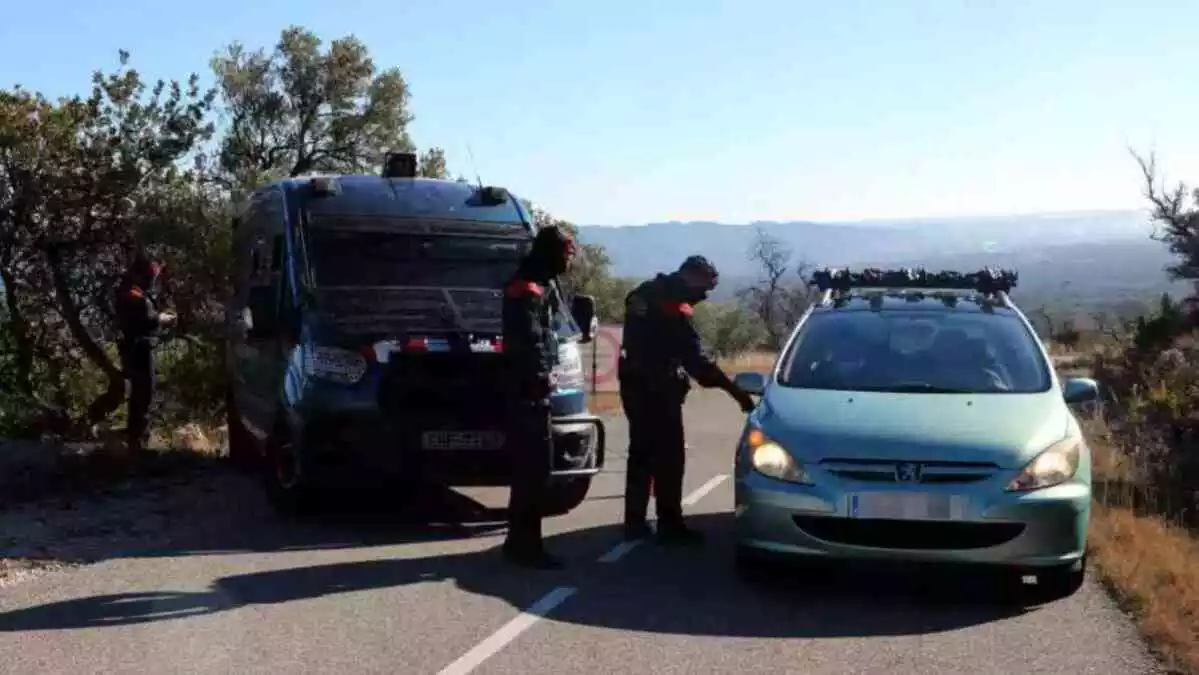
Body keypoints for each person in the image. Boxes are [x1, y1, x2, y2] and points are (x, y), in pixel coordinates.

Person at [618, 255, 756, 545]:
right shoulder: (673, 305)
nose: (704, 297)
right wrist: (735, 392)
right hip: (658, 388)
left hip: (633, 385)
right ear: (691, 277)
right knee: (669, 459)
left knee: (641, 454)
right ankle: (670, 526)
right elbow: (697, 362)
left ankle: (634, 522)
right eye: (705, 288)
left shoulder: (642, 292)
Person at [500, 224, 577, 569]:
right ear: (550, 251)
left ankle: (522, 541)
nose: (569, 260)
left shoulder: (542, 283)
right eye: (566, 253)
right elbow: (528, 338)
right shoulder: (528, 286)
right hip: (526, 390)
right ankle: (524, 545)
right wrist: (539, 376)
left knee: (534, 470)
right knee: (532, 469)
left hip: (533, 388)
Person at [114, 254, 175, 453]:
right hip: (139, 349)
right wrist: (162, 319)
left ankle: (135, 441)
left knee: (140, 393)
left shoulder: (130, 290)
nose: (153, 280)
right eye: (151, 276)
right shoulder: (132, 294)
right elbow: (146, 319)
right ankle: (138, 443)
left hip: (136, 348)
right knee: (145, 393)